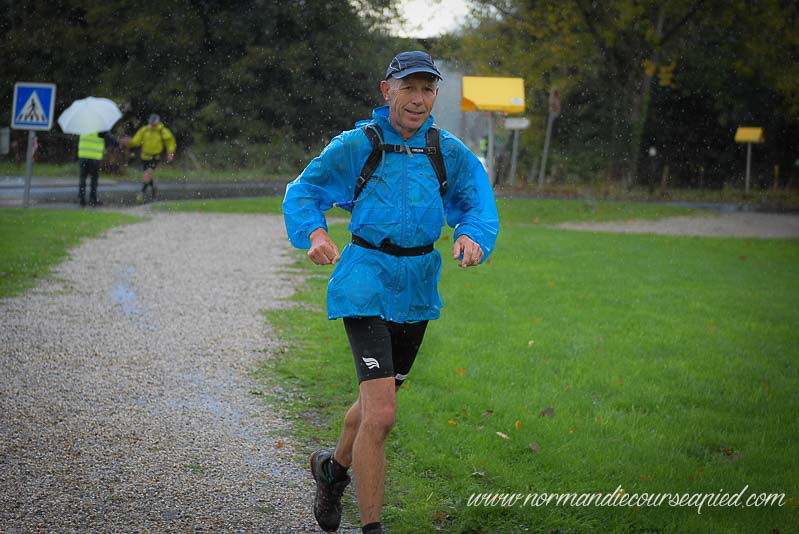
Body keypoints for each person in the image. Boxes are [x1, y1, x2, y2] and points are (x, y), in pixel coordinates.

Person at [282, 51, 499, 533]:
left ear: (435, 94)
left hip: (417, 287)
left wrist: (471, 236)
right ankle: (372, 527)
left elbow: (476, 203)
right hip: (364, 281)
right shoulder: (358, 144)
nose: (418, 99)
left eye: (427, 89)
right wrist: (314, 234)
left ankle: (332, 471)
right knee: (381, 414)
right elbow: (303, 191)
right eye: (409, 88)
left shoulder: (446, 151)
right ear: (387, 90)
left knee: (373, 405)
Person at [126, 113, 176, 201]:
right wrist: (128, 142)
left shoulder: (163, 131)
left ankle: (141, 193)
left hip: (155, 157)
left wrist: (170, 153)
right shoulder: (144, 130)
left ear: (158, 122)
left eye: (154, 123)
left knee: (147, 174)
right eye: (151, 123)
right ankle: (153, 188)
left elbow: (170, 143)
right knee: (148, 175)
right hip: (144, 157)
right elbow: (136, 141)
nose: (153, 125)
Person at [77, 131, 119, 207]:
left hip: (83, 156)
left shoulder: (83, 127)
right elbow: (112, 140)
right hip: (94, 157)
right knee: (94, 179)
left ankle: (81, 199)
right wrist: (116, 143)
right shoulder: (100, 128)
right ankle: (92, 199)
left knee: (82, 177)